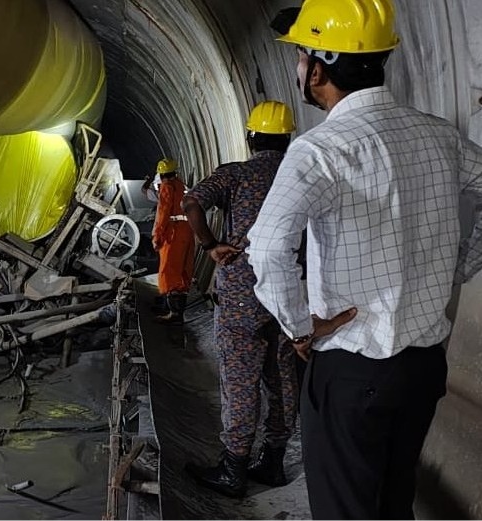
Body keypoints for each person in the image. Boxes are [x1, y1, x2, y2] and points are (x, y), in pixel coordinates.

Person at [247, 0, 482, 518]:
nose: (297, 68)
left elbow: (268, 246)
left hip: (351, 370)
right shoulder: (437, 135)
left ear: (317, 68)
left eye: (298, 57)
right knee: (391, 502)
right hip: (423, 367)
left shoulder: (320, 150)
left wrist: (298, 327)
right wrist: (458, 266)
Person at [182, 101, 298, 498]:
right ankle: (274, 460)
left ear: (251, 137)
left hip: (241, 294)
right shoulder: (300, 173)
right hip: (288, 292)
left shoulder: (237, 174)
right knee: (281, 376)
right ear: (288, 138)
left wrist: (211, 245)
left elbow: (192, 202)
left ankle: (233, 467)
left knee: (240, 379)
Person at [152, 158, 195, 323]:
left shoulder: (167, 187)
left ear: (161, 175)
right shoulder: (183, 186)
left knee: (169, 270)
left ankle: (173, 312)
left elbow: (162, 213)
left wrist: (157, 236)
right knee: (183, 270)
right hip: (188, 230)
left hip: (174, 231)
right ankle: (175, 309)